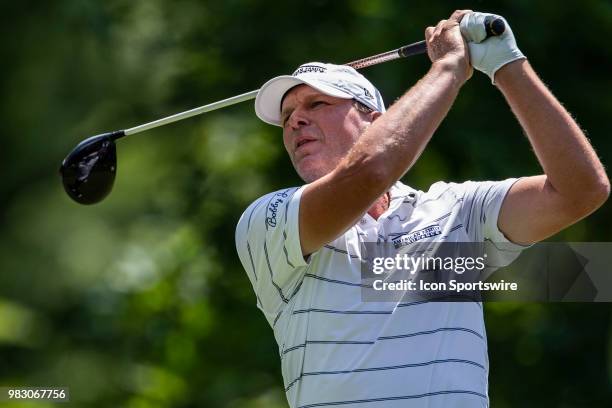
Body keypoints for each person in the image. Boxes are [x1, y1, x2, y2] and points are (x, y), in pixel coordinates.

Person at [235, 10, 609, 408]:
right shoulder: (269, 220)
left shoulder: (455, 211)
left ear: (373, 121)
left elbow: (580, 191)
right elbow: (369, 172)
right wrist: (449, 67)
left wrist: (506, 65)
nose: (295, 122)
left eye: (316, 103)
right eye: (288, 116)